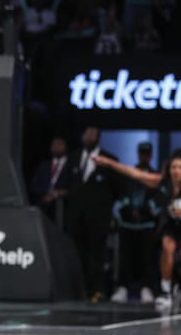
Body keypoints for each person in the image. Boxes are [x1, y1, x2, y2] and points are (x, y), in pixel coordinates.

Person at [95, 150, 181, 309]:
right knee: (168, 248)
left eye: (180, 167)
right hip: (171, 226)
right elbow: (136, 174)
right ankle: (166, 291)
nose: (176, 171)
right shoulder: (163, 182)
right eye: (173, 167)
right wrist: (109, 163)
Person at [66, 127, 118, 303]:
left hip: (98, 218)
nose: (88, 137)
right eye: (86, 133)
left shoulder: (109, 160)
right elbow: (67, 185)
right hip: (75, 217)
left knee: (97, 255)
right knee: (75, 253)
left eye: (92, 134)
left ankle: (97, 291)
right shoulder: (73, 158)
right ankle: (76, 290)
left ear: (98, 137)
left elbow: (117, 189)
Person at [109, 142, 159, 304]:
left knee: (148, 258)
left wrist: (149, 210)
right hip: (128, 223)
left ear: (150, 155)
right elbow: (122, 195)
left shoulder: (155, 176)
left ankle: (147, 288)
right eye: (142, 153)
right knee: (126, 258)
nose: (144, 156)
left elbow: (158, 197)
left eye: (147, 153)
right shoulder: (129, 174)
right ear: (138, 154)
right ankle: (123, 287)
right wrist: (126, 209)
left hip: (147, 225)